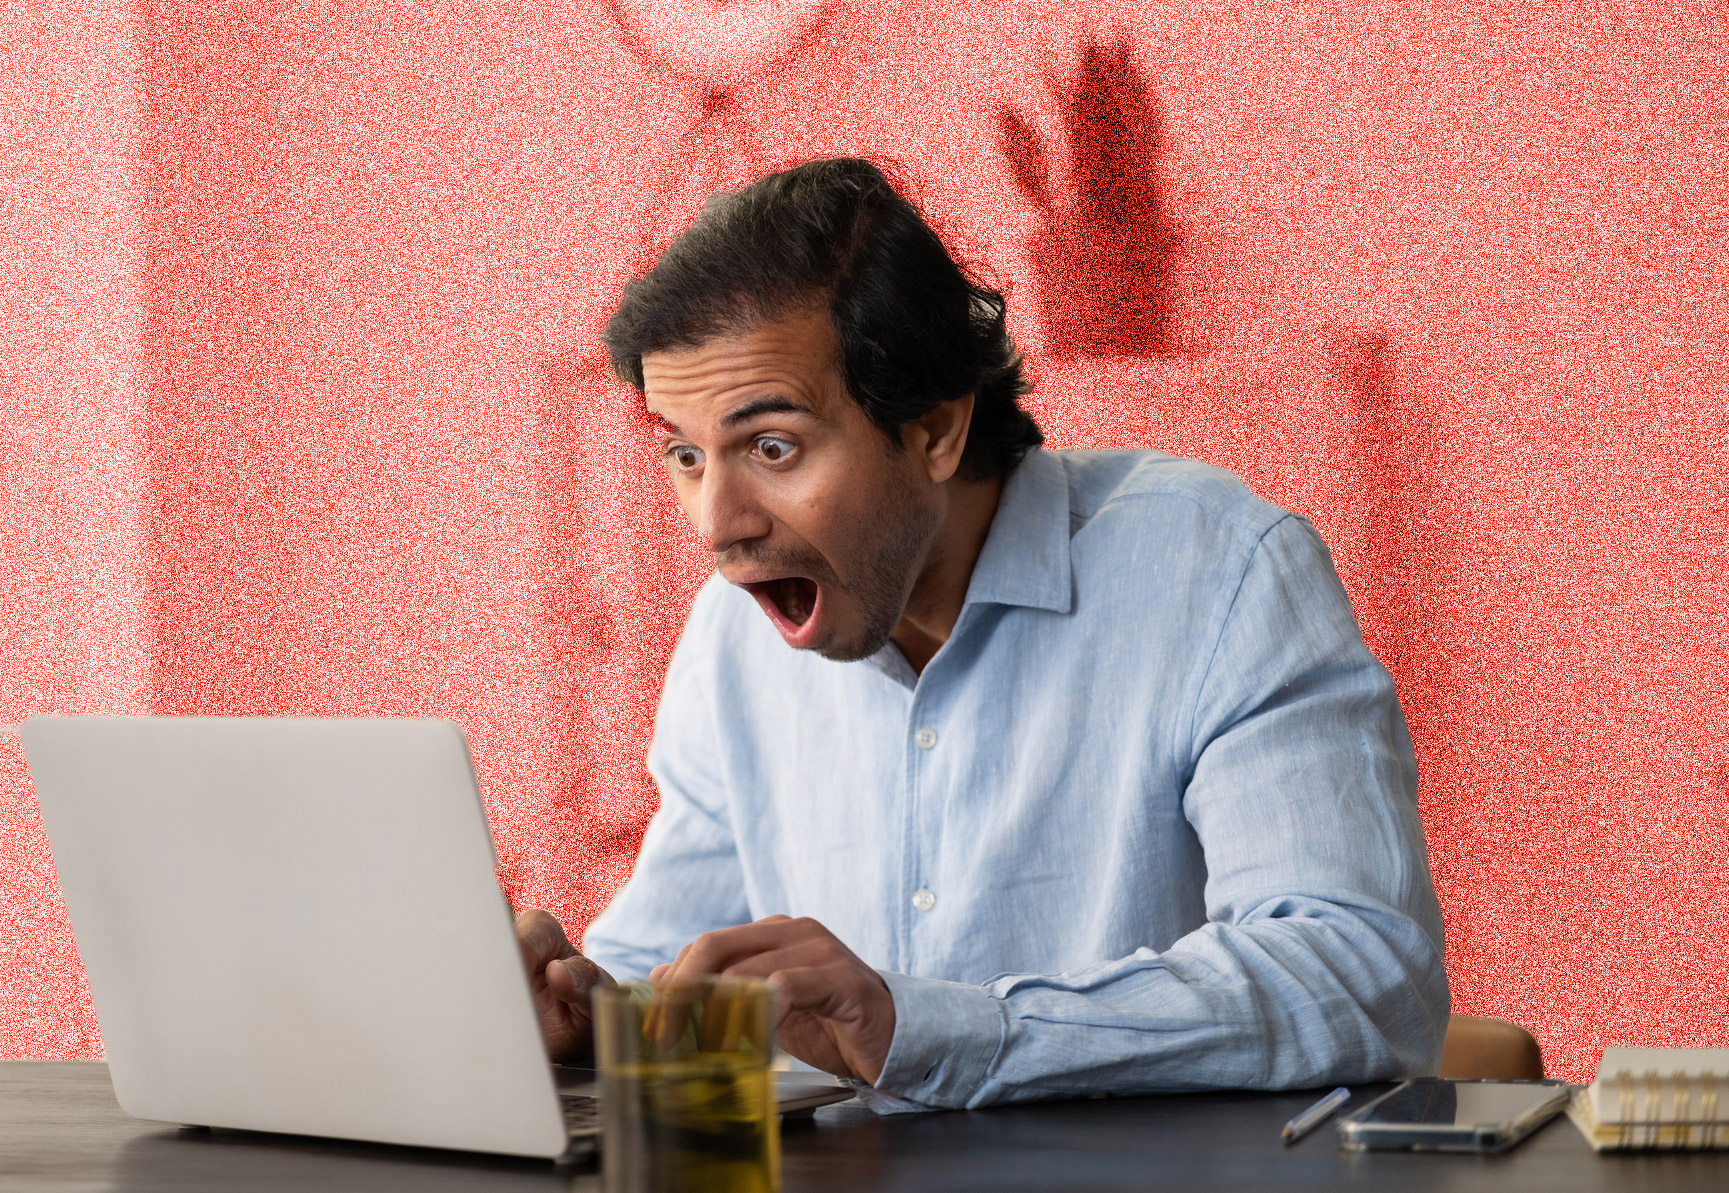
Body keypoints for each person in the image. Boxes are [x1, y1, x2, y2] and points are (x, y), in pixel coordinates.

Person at [513, 156, 1449, 1112]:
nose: (718, 520)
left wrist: (924, 1027)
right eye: (683, 451)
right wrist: (593, 1016)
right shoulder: (729, 641)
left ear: (934, 431)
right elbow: (677, 966)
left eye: (771, 447)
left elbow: (1361, 973)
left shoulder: (1221, 570)